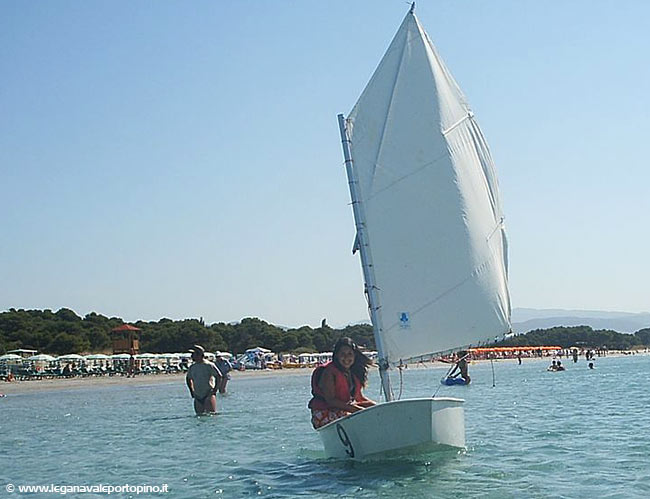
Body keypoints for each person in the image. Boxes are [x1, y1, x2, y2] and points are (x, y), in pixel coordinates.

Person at [308, 337, 376, 429]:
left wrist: (377, 407)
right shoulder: (328, 372)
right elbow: (331, 400)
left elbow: (359, 398)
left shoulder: (351, 372)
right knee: (363, 418)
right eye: (342, 354)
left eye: (350, 354)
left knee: (372, 411)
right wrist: (358, 410)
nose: (346, 357)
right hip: (324, 413)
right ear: (336, 355)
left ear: (355, 356)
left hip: (342, 409)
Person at [185, 345, 223, 415]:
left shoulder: (209, 365)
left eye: (193, 354)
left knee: (211, 415)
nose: (192, 356)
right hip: (198, 395)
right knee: (199, 416)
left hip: (208, 394)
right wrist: (191, 391)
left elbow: (219, 376)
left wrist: (215, 390)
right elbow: (188, 378)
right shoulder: (192, 367)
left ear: (199, 354)